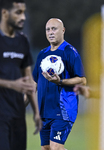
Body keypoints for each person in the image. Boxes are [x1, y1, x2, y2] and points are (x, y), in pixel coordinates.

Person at [0, 0, 42, 150]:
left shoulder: (23, 41)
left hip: (18, 115)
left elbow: (28, 79)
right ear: (5, 13)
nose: (23, 17)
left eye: (24, 12)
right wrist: (12, 84)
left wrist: (36, 112)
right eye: (18, 12)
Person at [33, 18, 86, 150]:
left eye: (54, 29)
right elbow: (34, 82)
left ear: (63, 30)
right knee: (46, 148)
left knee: (55, 147)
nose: (50, 32)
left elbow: (82, 80)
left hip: (63, 110)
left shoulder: (69, 52)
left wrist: (60, 82)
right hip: (44, 111)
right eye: (48, 29)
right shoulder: (42, 54)